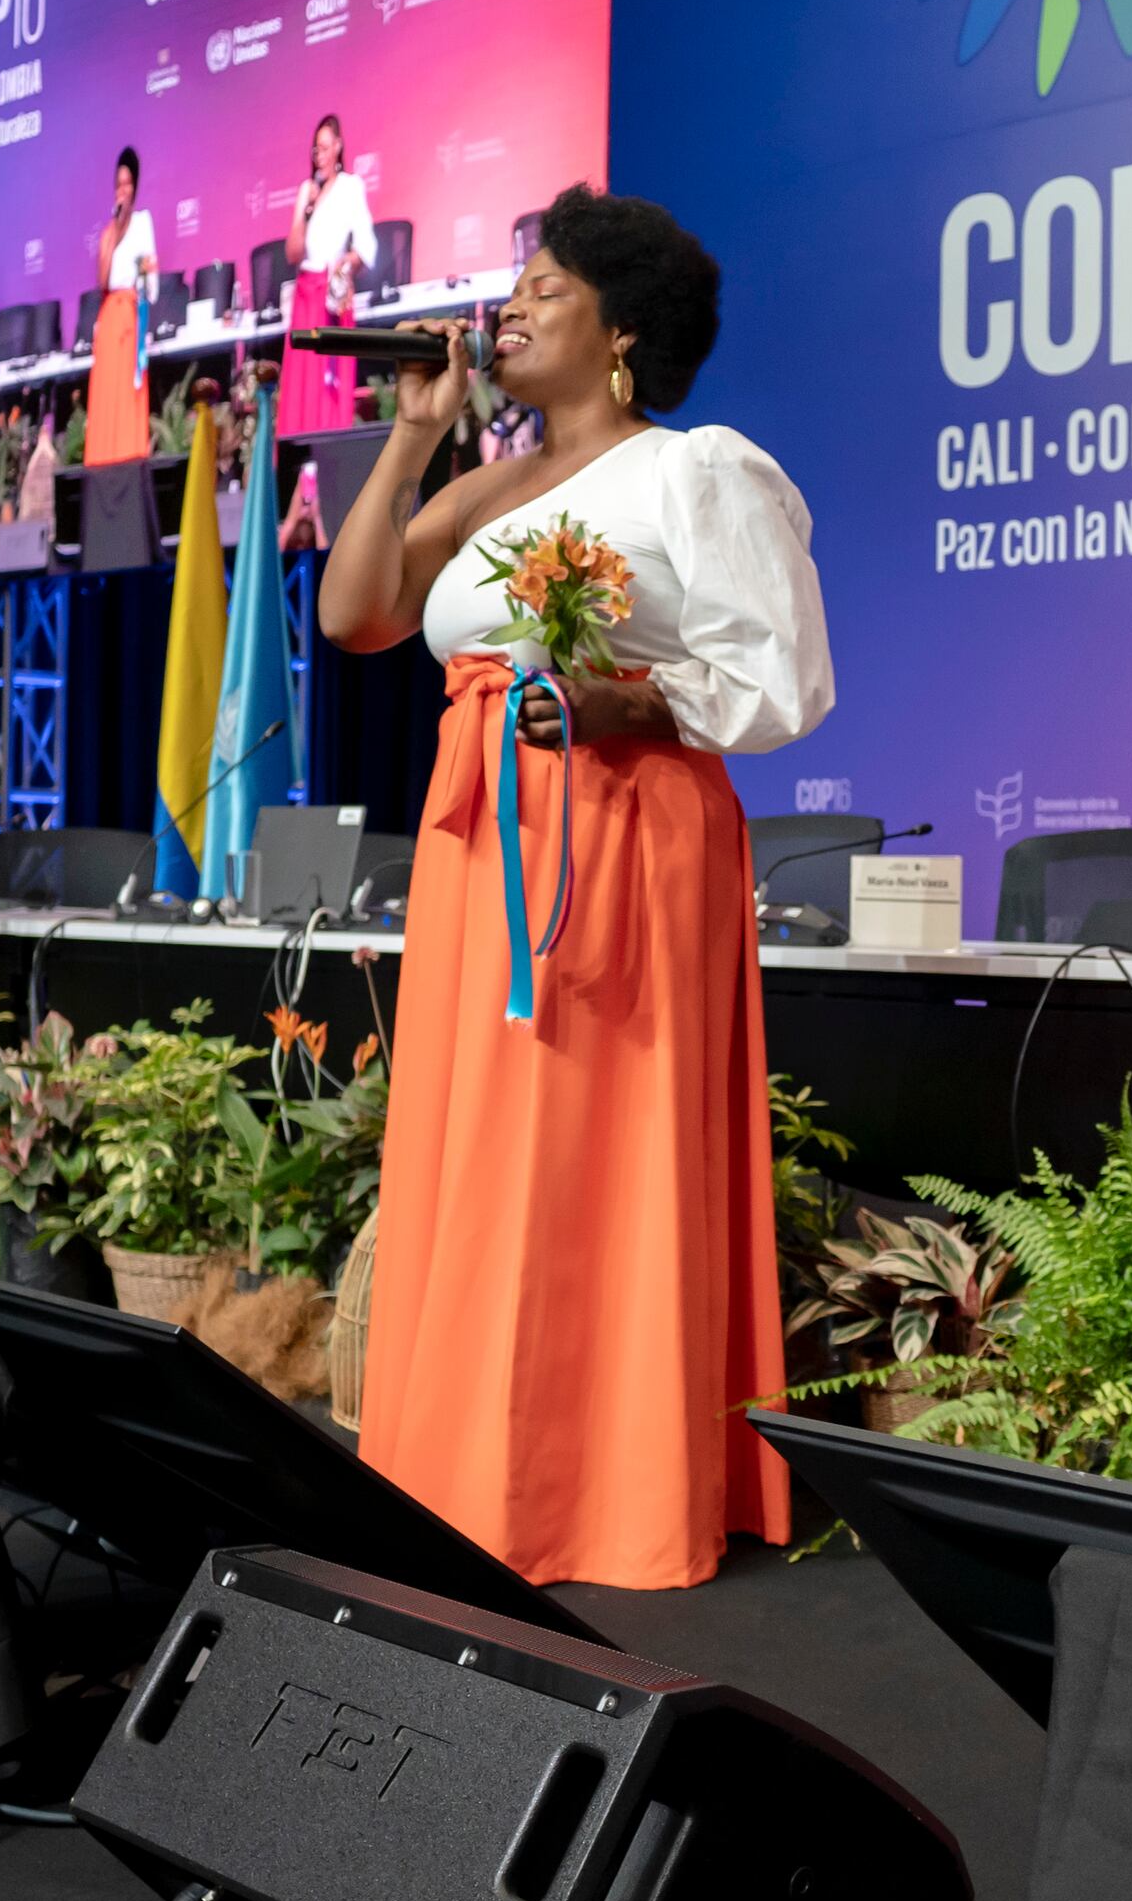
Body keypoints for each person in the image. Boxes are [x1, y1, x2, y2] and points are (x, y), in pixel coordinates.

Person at [319, 186, 829, 1590]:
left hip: (617, 830)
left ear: (622, 332)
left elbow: (783, 680)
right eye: (516, 283)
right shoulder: (489, 482)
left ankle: (602, 1486)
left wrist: (636, 701)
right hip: (479, 839)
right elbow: (355, 613)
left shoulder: (690, 470)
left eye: (547, 287)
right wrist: (414, 435)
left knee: (588, 1154)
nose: (512, 305)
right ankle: (469, 1475)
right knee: (481, 1159)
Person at [273, 114, 376, 436]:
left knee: (328, 384)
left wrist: (349, 263)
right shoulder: (307, 190)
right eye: (316, 149)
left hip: (331, 295)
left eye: (326, 147)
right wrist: (306, 210)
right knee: (301, 384)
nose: (320, 155)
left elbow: (366, 246)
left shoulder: (350, 186)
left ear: (339, 147)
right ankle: (297, 454)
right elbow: (293, 253)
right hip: (305, 294)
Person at [88, 147, 159, 469]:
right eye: (118, 184)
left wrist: (142, 293)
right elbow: (102, 279)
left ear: (136, 187)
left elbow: (149, 276)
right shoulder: (107, 233)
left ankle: (129, 459)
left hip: (132, 315)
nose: (122, 190)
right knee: (107, 394)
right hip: (110, 315)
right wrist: (115, 231)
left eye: (127, 184)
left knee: (128, 391)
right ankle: (104, 460)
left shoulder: (143, 223)